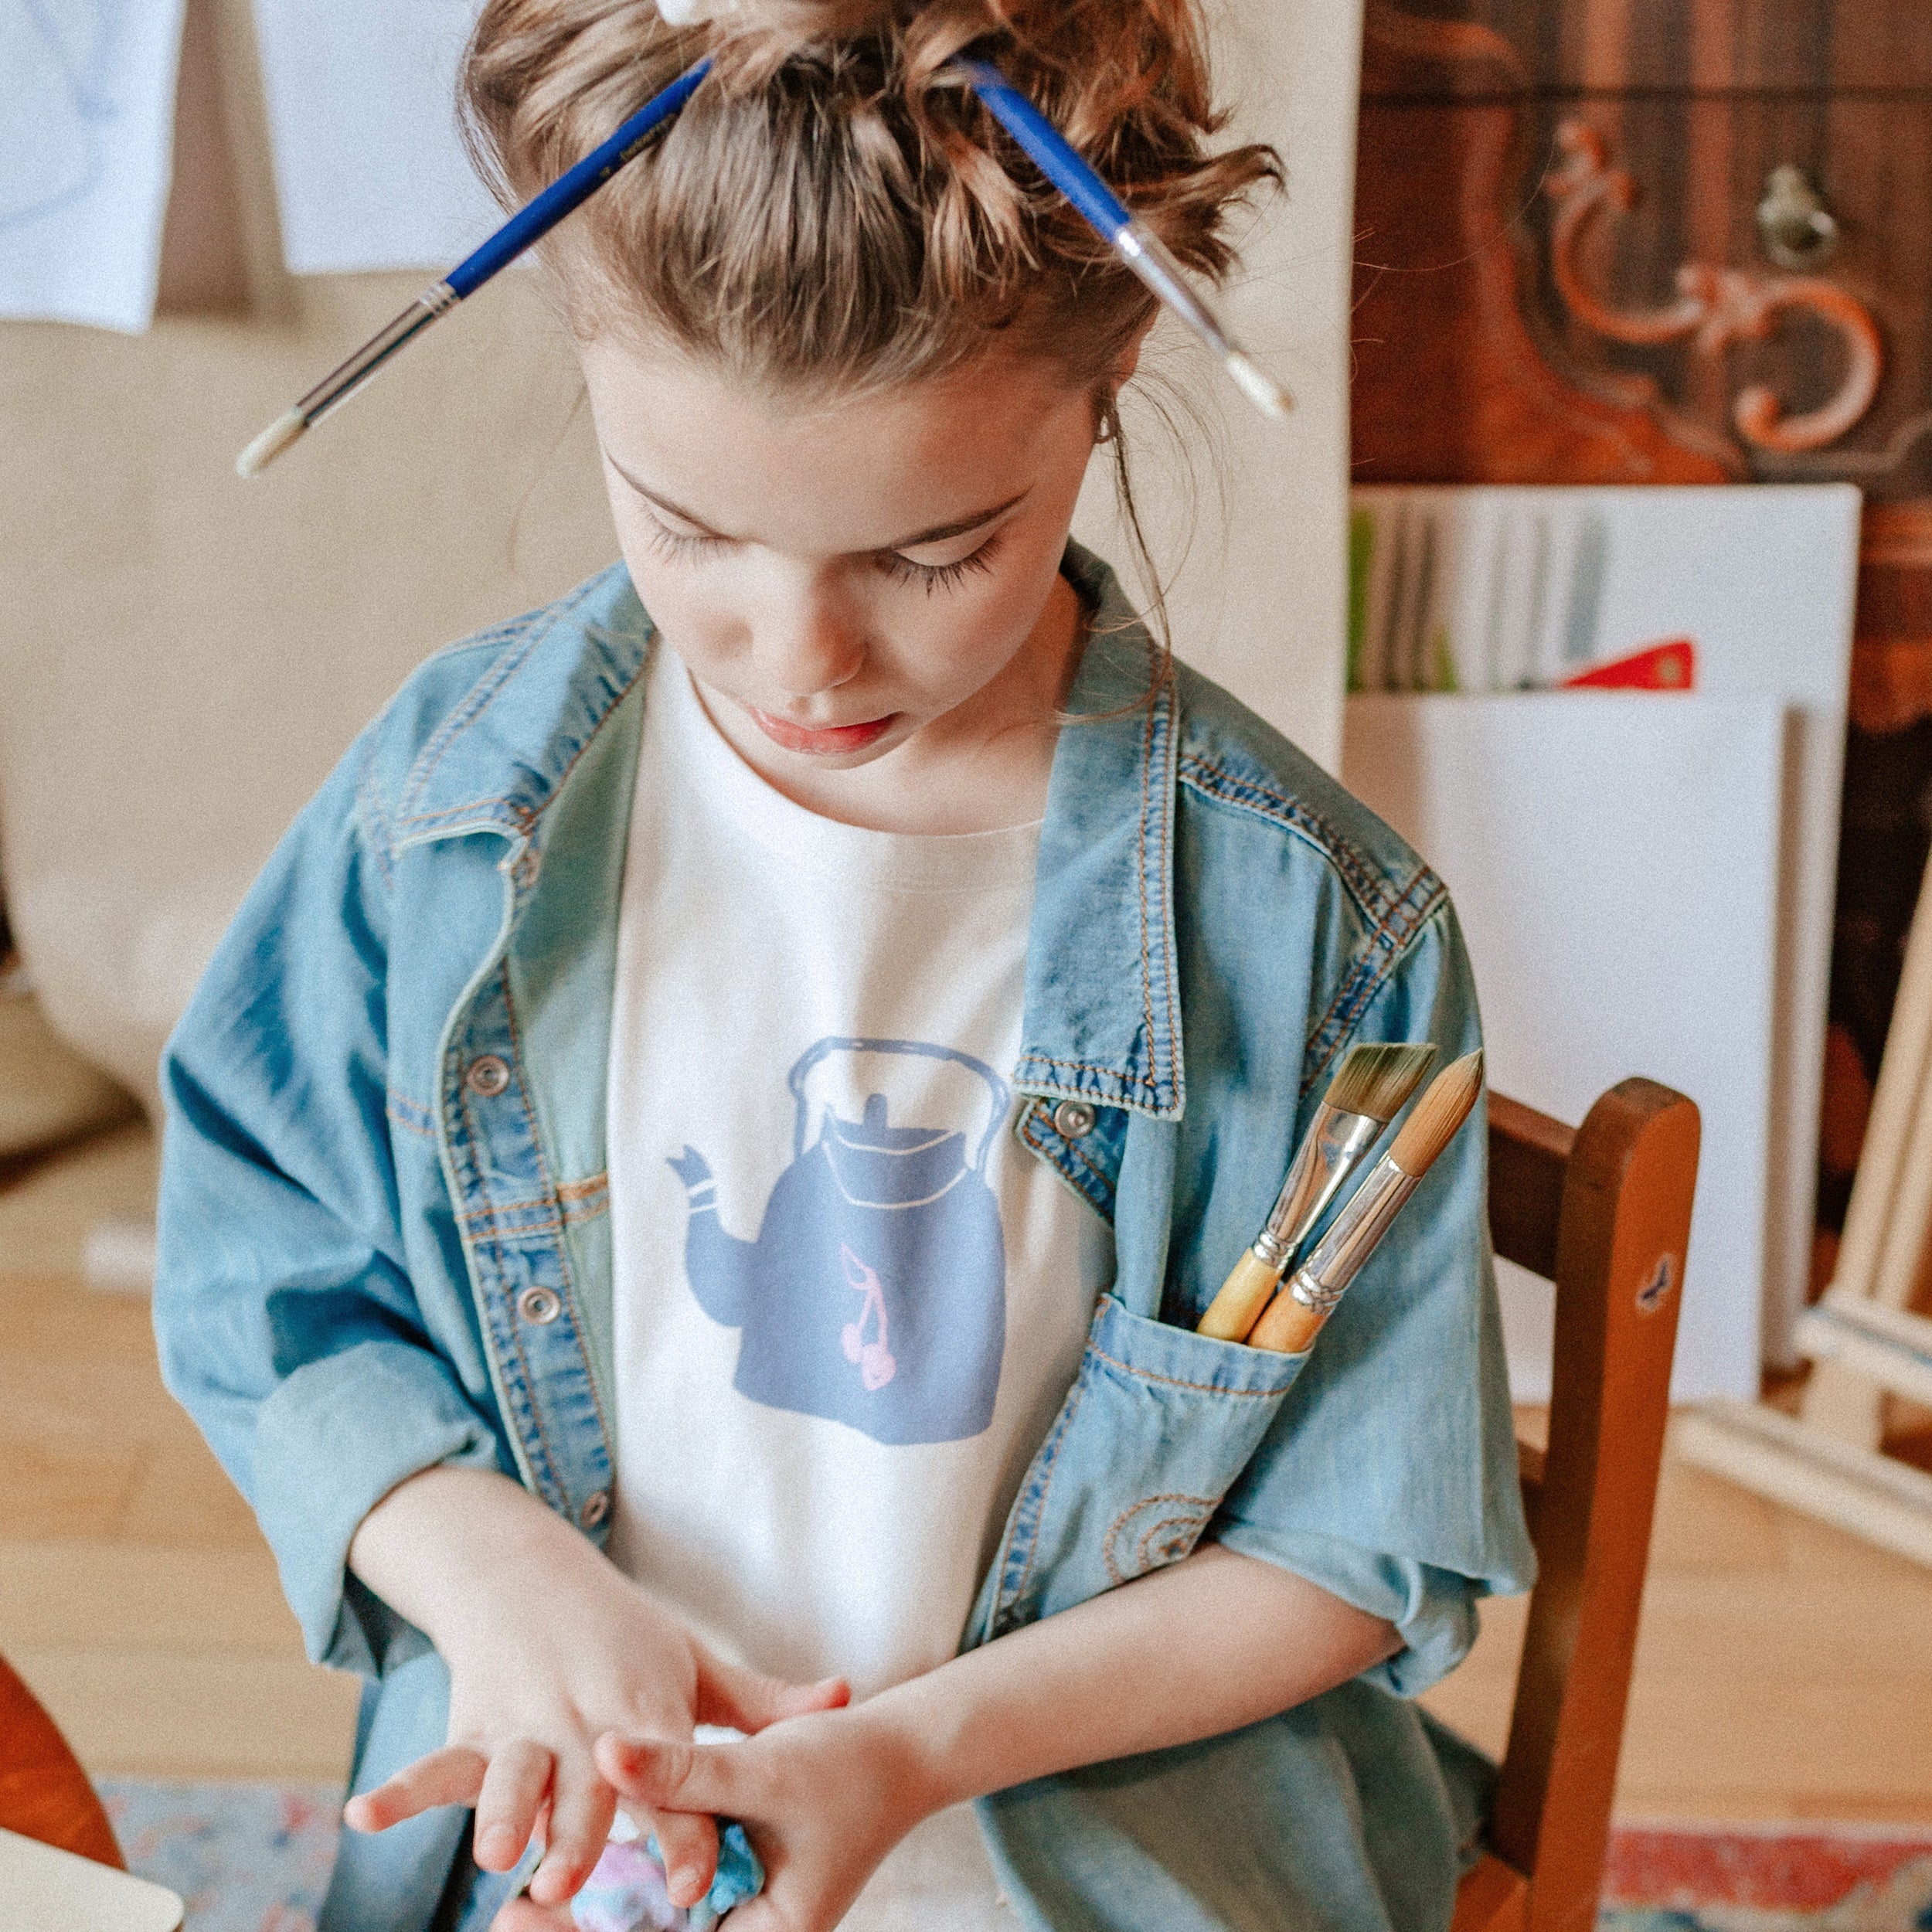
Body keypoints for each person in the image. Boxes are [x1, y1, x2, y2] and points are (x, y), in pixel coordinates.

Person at [153, 2, 1534, 1928]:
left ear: (1118, 359)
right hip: (571, 1851)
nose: (800, 655)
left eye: (930, 552)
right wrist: (489, 1567)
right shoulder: (446, 811)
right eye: (689, 524)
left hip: (1088, 1861)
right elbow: (265, 1273)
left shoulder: (1313, 928)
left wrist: (905, 1754)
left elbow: (1354, 1543)